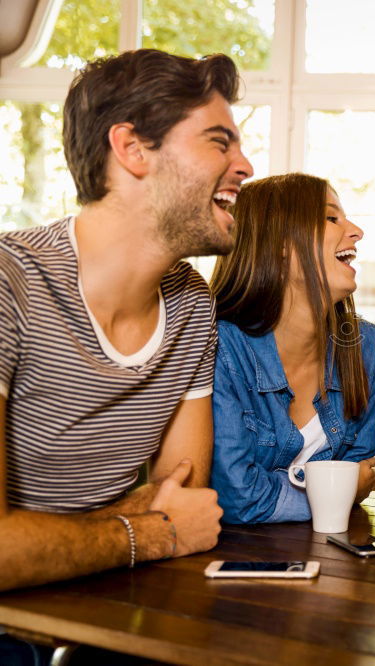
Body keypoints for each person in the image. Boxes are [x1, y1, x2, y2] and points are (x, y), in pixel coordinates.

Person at [0, 49, 253, 593]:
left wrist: (38, 542)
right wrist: (151, 533)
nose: (245, 165)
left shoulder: (190, 303)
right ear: (133, 148)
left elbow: (183, 495)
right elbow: (171, 524)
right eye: (218, 141)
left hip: (101, 598)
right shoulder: (9, 280)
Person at [209, 173, 375, 524]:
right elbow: (234, 495)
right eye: (331, 218)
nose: (356, 231)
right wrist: (337, 493)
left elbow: (365, 465)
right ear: (280, 243)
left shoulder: (364, 344)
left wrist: (275, 489)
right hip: (232, 561)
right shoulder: (220, 346)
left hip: (331, 554)